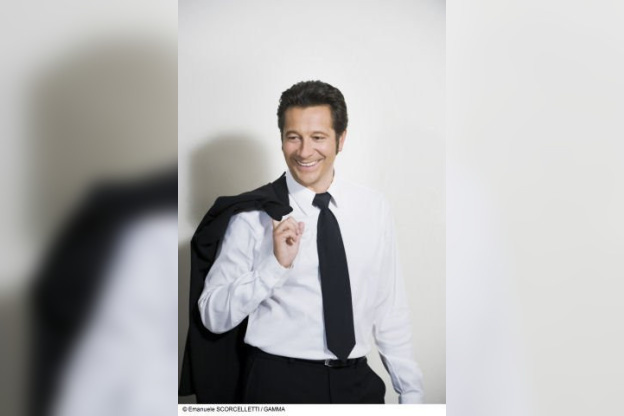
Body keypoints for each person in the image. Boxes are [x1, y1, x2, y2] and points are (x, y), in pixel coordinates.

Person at [193, 80, 423, 404]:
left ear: (341, 139)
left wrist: (411, 395)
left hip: (357, 384)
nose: (304, 152)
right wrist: (274, 267)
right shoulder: (253, 216)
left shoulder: (374, 208)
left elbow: (390, 311)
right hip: (277, 384)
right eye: (293, 137)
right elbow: (212, 316)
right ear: (281, 140)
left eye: (318, 137)